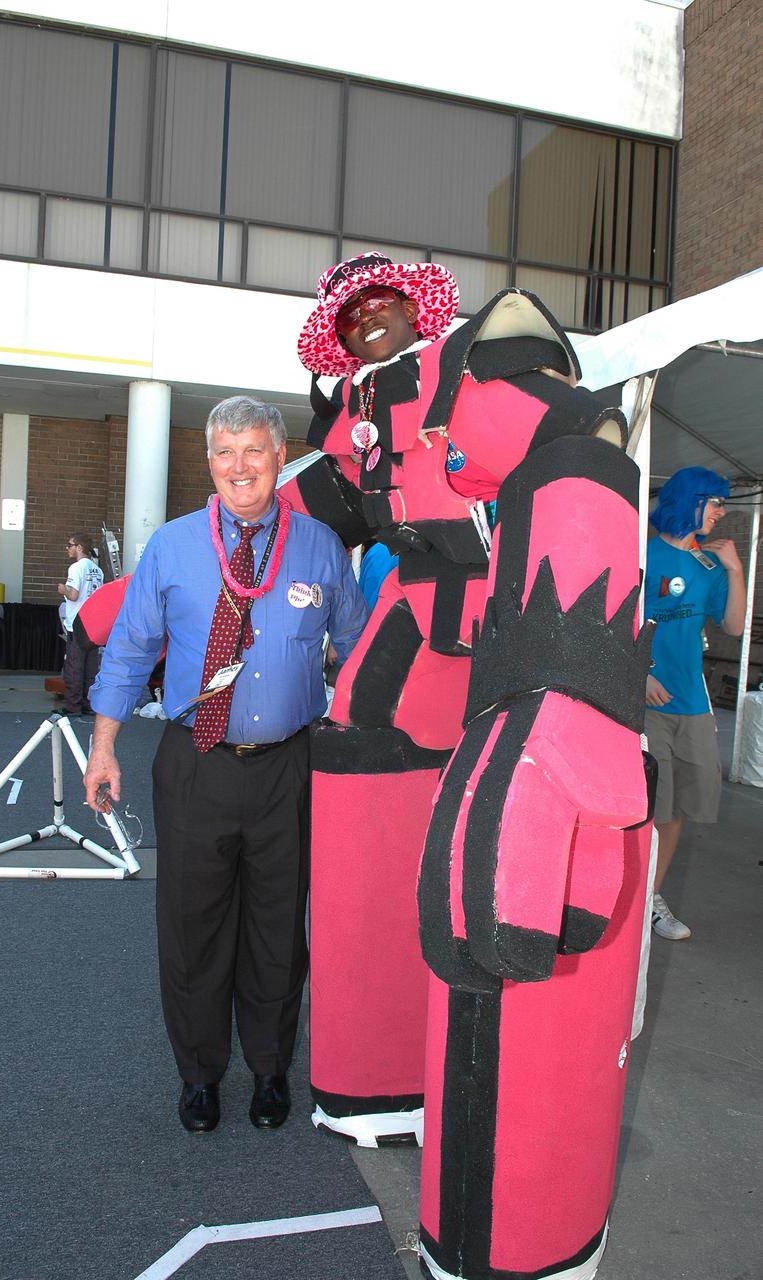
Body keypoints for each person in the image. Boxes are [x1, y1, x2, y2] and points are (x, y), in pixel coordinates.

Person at [284, 253, 651, 1280]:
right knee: (360, 773)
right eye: (349, 313)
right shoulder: (354, 420)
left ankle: (519, 1204)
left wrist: (574, 681)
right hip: (411, 627)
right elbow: (287, 517)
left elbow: (582, 444)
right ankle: (374, 1076)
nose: (368, 319)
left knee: (510, 847)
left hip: (518, 622)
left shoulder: (475, 373)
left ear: (420, 306)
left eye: (382, 303)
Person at [83, 395, 368, 1135]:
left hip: (288, 767)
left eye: (253, 451)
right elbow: (130, 649)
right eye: (224, 453)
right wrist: (104, 746)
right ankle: (199, 1074)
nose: (239, 467)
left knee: (278, 925)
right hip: (195, 763)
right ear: (208, 461)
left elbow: (357, 646)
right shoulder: (173, 546)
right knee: (193, 925)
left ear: (280, 456)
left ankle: (270, 1070)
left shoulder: (320, 547)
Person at [644, 466, 746, 940]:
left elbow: (734, 627)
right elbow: (612, 618)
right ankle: (628, 897)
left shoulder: (709, 565)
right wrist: (639, 674)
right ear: (691, 500)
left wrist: (735, 569)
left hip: (692, 702)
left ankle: (651, 897)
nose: (721, 512)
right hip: (645, 701)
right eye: (715, 502)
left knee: (679, 807)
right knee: (650, 806)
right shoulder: (643, 554)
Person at [57, 533, 104, 717]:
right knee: (91, 667)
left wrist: (63, 589)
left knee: (74, 666)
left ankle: (73, 706)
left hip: (77, 623)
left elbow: (74, 595)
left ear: (79, 547)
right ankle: (88, 703)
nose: (67, 548)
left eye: (70, 545)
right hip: (93, 624)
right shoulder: (97, 570)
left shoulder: (76, 567)